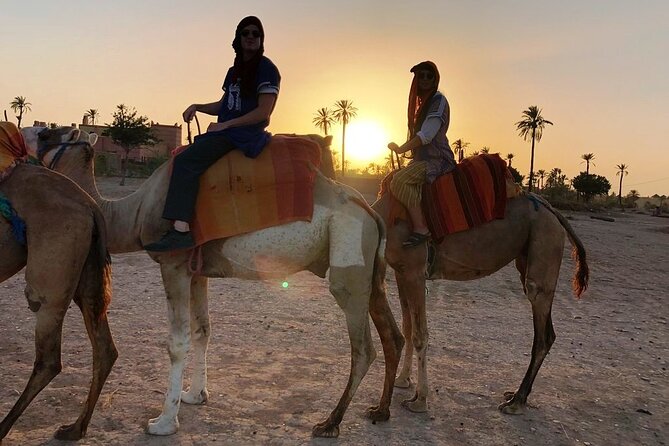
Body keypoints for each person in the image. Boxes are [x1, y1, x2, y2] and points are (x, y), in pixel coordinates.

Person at [145, 16, 281, 252]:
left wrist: (226, 126)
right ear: (238, 38)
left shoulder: (267, 69)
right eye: (246, 33)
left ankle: (180, 230)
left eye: (255, 34)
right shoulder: (234, 70)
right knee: (192, 155)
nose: (250, 37)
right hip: (227, 132)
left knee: (186, 161)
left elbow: (263, 113)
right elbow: (224, 105)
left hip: (243, 134)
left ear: (261, 40)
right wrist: (198, 107)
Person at [388, 61, 455, 248]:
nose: (424, 79)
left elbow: (426, 135)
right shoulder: (423, 105)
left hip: (437, 160)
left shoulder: (438, 102)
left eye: (429, 75)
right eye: (421, 76)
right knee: (392, 179)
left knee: (399, 181)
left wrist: (401, 149)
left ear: (435, 79)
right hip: (422, 159)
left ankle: (421, 228)